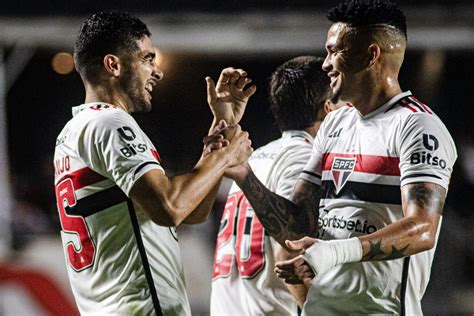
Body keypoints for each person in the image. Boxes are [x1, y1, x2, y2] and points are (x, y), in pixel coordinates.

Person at [222, 0, 457, 314]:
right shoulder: (335, 124)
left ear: (371, 55)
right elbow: (298, 226)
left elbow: (423, 229)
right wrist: (243, 174)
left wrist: (332, 252)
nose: (325, 64)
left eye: (336, 51)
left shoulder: (417, 126)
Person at [53, 11, 255, 315]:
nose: (157, 71)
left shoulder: (74, 131)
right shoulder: (110, 123)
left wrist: (222, 125)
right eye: (147, 59)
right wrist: (226, 155)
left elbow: (191, 211)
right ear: (114, 65)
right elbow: (170, 208)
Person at [210, 56, 344, 315]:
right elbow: (290, 249)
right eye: (342, 101)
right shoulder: (303, 158)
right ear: (327, 108)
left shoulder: (260, 155)